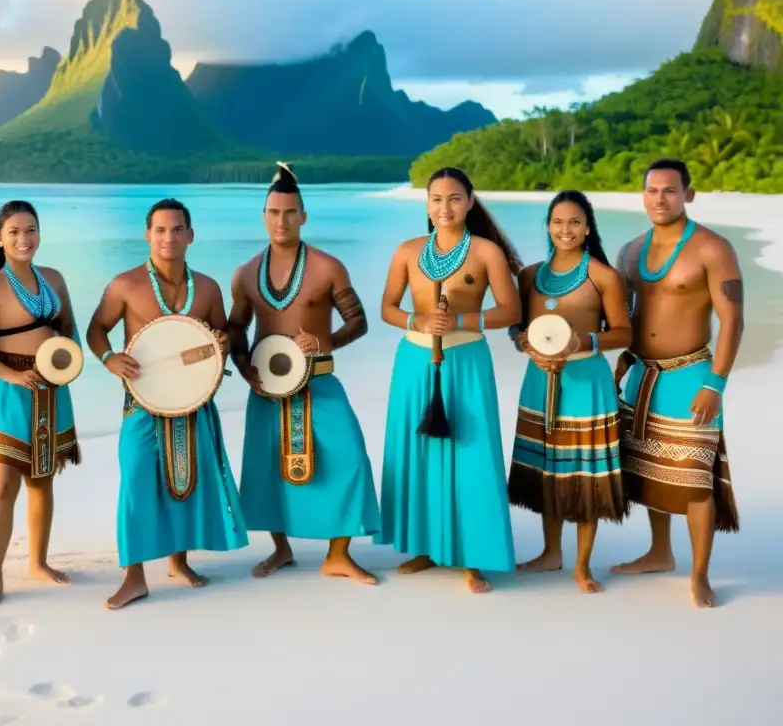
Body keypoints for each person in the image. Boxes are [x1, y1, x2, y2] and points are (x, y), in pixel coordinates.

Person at [86, 198, 248, 609]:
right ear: (147, 234)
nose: (168, 237)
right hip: (141, 402)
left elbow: (221, 339)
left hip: (194, 402)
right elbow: (96, 330)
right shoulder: (125, 284)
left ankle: (179, 561)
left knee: (186, 483)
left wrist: (222, 348)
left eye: (177, 229)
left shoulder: (208, 288)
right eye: (160, 230)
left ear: (190, 235)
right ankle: (135, 576)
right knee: (137, 481)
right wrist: (109, 359)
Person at [228, 163, 382, 585]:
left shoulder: (329, 267)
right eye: (275, 212)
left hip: (320, 380)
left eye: (290, 212)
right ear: (264, 216)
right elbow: (235, 328)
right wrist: (243, 369)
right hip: (265, 387)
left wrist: (325, 340)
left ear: (303, 216)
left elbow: (359, 321)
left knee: (350, 458)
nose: (282, 220)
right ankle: (281, 549)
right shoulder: (244, 273)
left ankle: (339, 554)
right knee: (266, 468)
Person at [374, 166, 523, 594]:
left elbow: (510, 310)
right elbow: (386, 306)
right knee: (417, 454)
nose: (445, 207)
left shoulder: (486, 252)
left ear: (470, 202)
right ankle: (425, 546)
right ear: (426, 204)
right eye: (436, 199)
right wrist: (415, 319)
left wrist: (459, 318)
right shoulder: (407, 250)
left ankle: (474, 557)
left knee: (472, 454)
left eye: (455, 198)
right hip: (414, 361)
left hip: (465, 359)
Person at [610, 158, 742, 609]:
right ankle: (660, 552)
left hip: (691, 376)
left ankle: (699, 574)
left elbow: (732, 322)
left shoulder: (712, 247)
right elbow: (626, 316)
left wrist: (715, 384)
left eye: (669, 190)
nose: (659, 199)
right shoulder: (630, 251)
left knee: (695, 478)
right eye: (651, 190)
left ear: (689, 193)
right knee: (650, 468)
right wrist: (622, 356)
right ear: (642, 194)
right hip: (643, 375)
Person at [506, 190, 632, 594]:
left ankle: (582, 565)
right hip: (539, 378)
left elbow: (624, 332)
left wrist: (582, 343)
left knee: (585, 472)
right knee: (548, 467)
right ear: (547, 225)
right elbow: (515, 326)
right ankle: (550, 553)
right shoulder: (529, 275)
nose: (566, 230)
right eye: (558, 222)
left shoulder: (603, 276)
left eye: (575, 222)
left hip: (587, 382)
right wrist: (524, 343)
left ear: (588, 228)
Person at [0, 200, 83, 610]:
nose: (23, 239)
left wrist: (72, 362)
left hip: (51, 388)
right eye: (14, 232)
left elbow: (69, 329)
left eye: (30, 230)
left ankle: (38, 563)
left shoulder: (54, 279)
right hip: (8, 391)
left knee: (42, 480)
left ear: (39, 234)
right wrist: (11, 375)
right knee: (4, 483)